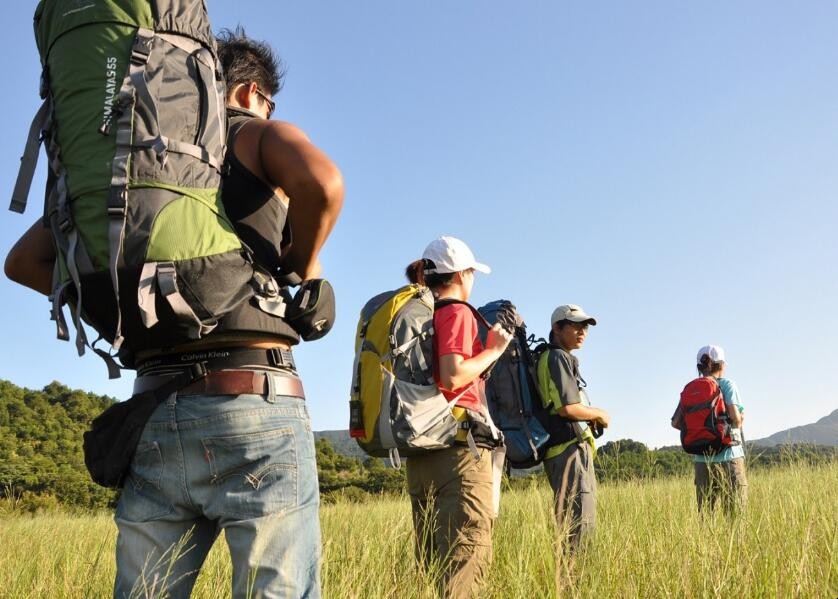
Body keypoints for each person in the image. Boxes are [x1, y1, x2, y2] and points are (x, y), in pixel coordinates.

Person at [6, 29, 343, 598]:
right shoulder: (251, 132)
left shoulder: (131, 165)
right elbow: (323, 183)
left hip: (153, 409)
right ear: (250, 92)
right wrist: (305, 269)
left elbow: (22, 262)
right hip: (252, 398)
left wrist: (129, 310)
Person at [403, 236, 512, 599]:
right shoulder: (456, 312)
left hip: (421, 453)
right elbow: (452, 375)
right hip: (459, 453)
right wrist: (493, 351)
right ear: (463, 274)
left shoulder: (420, 316)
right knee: (464, 567)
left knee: (433, 567)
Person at [536, 305, 609, 552]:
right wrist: (600, 414)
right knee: (580, 529)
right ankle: (578, 584)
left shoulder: (548, 357)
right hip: (569, 452)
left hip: (558, 452)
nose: (582, 331)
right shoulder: (558, 357)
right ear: (557, 328)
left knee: (569, 525)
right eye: (576, 325)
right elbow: (568, 408)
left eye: (585, 327)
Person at [672, 345, 747, 515]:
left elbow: (676, 422)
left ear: (699, 367)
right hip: (730, 457)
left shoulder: (690, 389)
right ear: (721, 364)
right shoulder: (727, 384)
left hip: (702, 460)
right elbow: (735, 419)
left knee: (706, 517)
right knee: (735, 516)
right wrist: (741, 417)